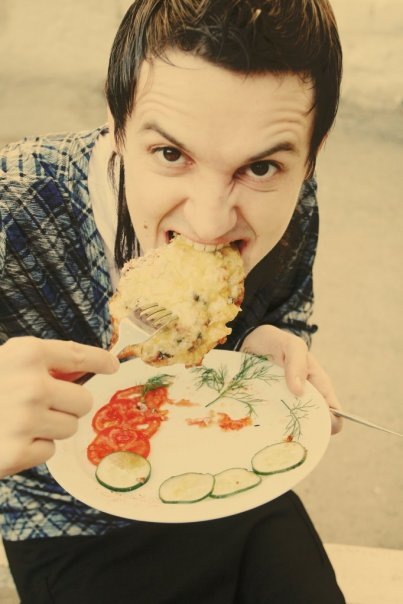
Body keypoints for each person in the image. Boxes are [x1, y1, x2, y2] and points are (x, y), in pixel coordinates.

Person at [0, 0, 346, 602]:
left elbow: (289, 309)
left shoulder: (296, 201)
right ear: (117, 124)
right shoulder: (12, 203)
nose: (210, 223)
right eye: (170, 154)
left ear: (312, 154)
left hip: (229, 470)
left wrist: (263, 341)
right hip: (66, 526)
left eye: (260, 167)